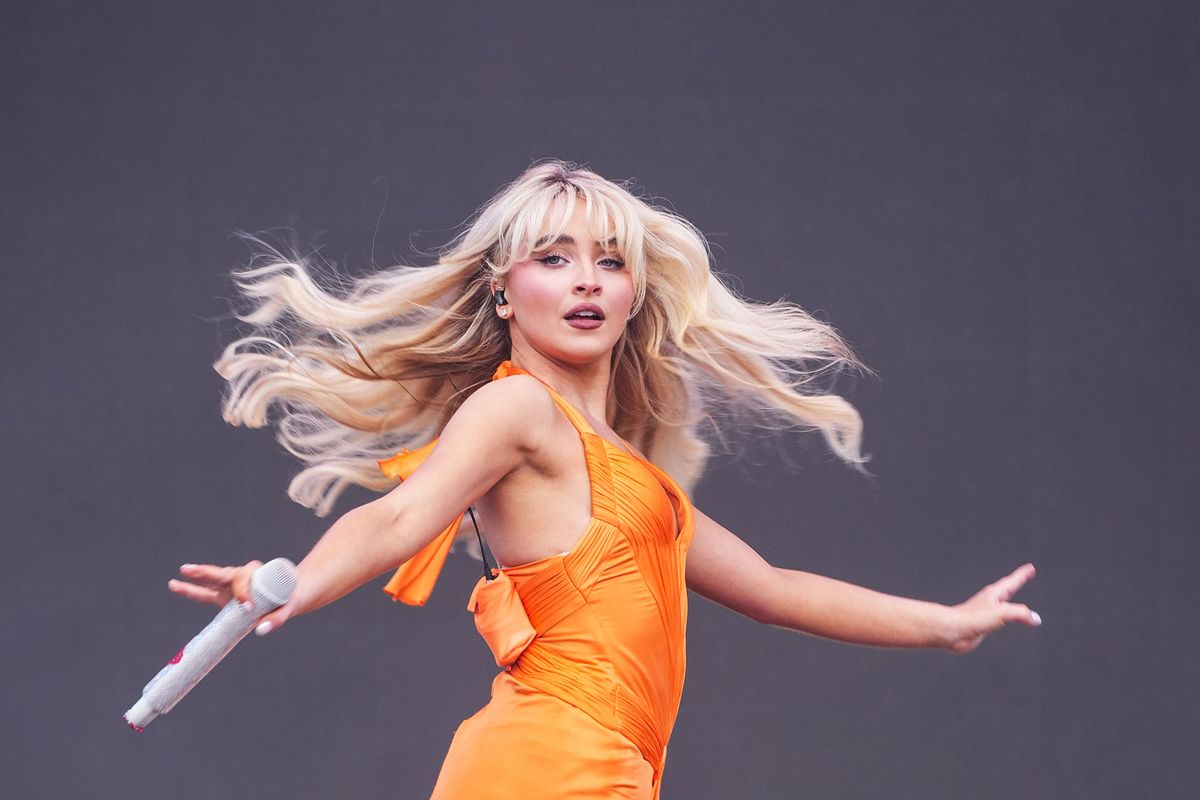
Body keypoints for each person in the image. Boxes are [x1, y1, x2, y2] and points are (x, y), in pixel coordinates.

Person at [168, 159, 1040, 799]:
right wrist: (290, 583)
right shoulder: (517, 414)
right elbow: (400, 520)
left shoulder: (631, 480)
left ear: (633, 295)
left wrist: (946, 626)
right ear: (505, 293)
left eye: (610, 262)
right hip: (545, 769)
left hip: (610, 773)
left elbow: (774, 587)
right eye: (552, 258)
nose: (586, 278)